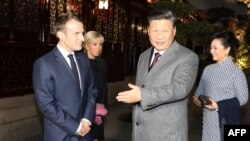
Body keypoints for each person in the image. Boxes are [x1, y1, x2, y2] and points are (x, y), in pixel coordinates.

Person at [116, 8, 199, 141]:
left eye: (165, 31)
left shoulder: (187, 57)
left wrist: (142, 95)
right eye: (155, 30)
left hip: (167, 134)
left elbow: (180, 88)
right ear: (148, 31)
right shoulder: (143, 56)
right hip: (140, 133)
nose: (159, 36)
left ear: (174, 31)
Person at [32, 13, 98, 141]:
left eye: (82, 33)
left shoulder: (84, 59)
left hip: (85, 132)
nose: (83, 38)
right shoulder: (44, 64)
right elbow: (46, 105)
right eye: (76, 34)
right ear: (60, 35)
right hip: (59, 134)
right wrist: (76, 127)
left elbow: (92, 91)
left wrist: (86, 119)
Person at [193, 31, 249, 141]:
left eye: (215, 48)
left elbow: (243, 98)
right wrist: (197, 99)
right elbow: (200, 90)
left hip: (225, 120)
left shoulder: (236, 72)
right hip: (208, 121)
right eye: (210, 48)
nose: (211, 51)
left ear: (227, 49)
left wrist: (219, 105)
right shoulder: (208, 69)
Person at [83, 31, 108, 141]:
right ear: (86, 45)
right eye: (95, 44)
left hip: (99, 109)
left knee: (98, 137)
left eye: (100, 44)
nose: (98, 47)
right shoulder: (81, 62)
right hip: (85, 109)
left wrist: (103, 105)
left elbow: (103, 87)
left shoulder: (102, 63)